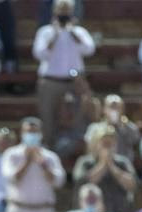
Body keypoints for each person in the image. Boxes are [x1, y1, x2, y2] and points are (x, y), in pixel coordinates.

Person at [2, 117, 66, 212]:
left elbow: (58, 181)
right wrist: (27, 161)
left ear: (41, 134)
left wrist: (43, 164)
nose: (31, 135)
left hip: (43, 210)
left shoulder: (50, 157)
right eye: (28, 131)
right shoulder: (12, 155)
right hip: (20, 210)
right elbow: (11, 178)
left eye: (34, 131)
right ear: (22, 133)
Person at [32, 1, 96, 150]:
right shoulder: (45, 32)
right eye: (61, 10)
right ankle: (49, 148)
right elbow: (39, 54)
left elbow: (89, 50)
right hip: (50, 81)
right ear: (54, 11)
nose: (64, 14)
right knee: (48, 119)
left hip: (75, 81)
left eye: (67, 10)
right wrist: (55, 34)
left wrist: (72, 32)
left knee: (80, 116)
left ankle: (76, 148)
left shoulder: (79, 31)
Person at [73, 123, 137, 212]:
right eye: (104, 143)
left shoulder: (122, 163)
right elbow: (83, 184)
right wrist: (103, 165)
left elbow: (132, 185)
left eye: (110, 144)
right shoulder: (85, 163)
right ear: (96, 144)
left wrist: (111, 166)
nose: (107, 147)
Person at [86, 94, 140, 163]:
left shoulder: (129, 127)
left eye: (117, 107)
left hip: (122, 165)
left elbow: (135, 140)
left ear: (122, 110)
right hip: (100, 165)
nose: (114, 110)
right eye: (111, 107)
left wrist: (121, 127)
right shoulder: (94, 128)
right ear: (104, 109)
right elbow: (89, 149)